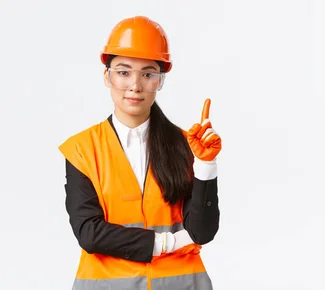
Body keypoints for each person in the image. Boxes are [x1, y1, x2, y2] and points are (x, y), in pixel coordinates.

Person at [58, 15, 222, 290]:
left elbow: (203, 231)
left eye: (147, 74)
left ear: (160, 81)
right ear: (107, 76)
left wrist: (206, 165)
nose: (135, 85)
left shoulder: (186, 144)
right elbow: (89, 233)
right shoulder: (82, 149)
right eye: (124, 72)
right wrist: (167, 242)